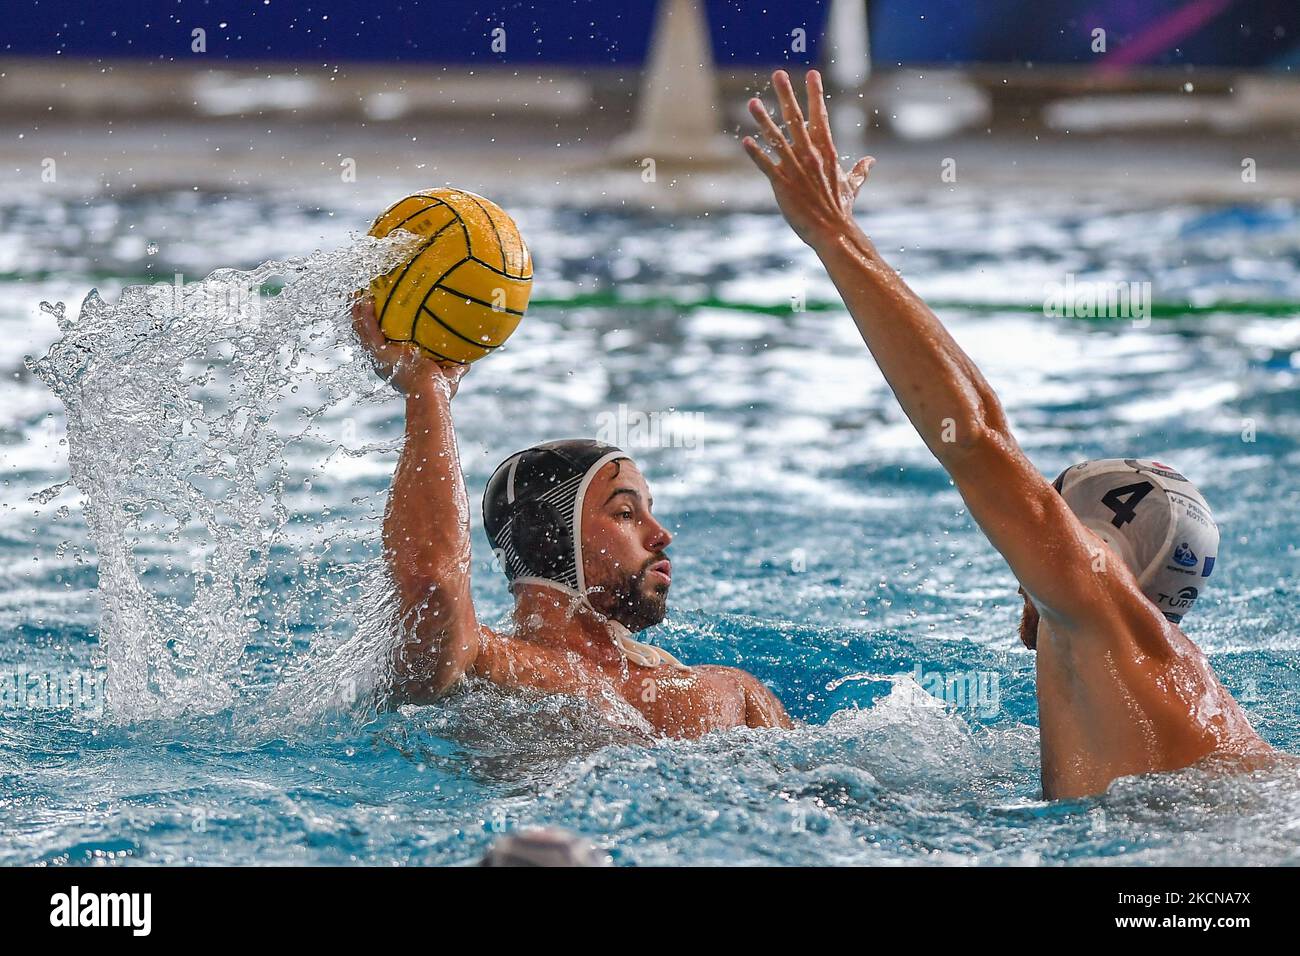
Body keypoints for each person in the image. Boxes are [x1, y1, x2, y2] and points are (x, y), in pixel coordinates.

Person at [742, 68, 1274, 799]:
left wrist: (833, 235)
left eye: (1042, 515)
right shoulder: (1171, 683)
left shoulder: (1090, 599)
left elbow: (978, 436)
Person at [351, 299, 791, 738]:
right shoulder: (487, 672)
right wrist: (426, 388)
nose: (660, 535)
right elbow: (431, 580)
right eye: (625, 513)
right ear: (550, 539)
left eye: (649, 512)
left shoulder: (734, 693)